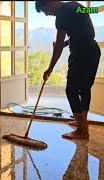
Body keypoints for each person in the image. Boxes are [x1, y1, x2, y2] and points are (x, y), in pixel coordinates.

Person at [35, 1, 101, 139]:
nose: (47, 14)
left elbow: (58, 46)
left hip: (80, 54)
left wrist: (50, 68)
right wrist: (66, 43)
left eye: (44, 10)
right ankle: (83, 122)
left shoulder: (62, 14)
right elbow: (83, 31)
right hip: (93, 50)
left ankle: (82, 131)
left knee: (71, 90)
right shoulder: (76, 6)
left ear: (49, 3)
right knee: (84, 88)